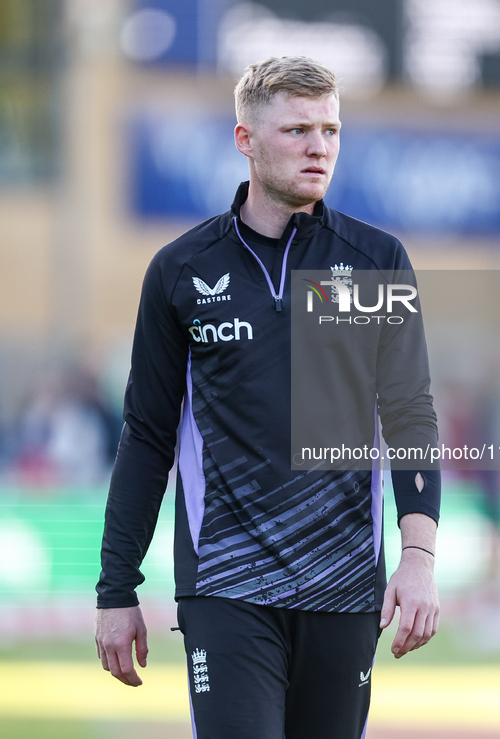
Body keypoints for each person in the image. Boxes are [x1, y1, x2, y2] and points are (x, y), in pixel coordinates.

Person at [95, 56, 441, 739]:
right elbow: (146, 436)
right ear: (245, 140)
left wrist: (418, 558)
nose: (319, 146)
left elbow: (409, 416)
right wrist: (116, 589)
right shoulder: (181, 271)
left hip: (344, 586)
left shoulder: (376, 260)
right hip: (226, 585)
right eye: (296, 130)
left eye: (330, 129)